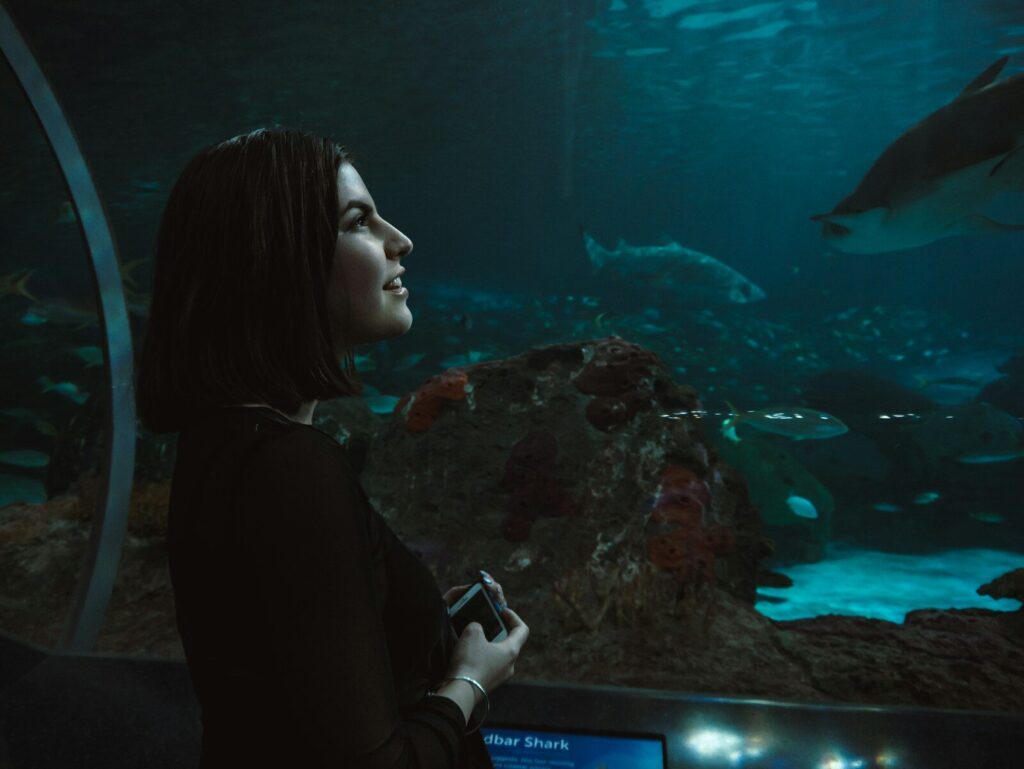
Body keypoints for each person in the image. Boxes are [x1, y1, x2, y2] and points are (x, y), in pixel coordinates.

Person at [136, 126, 529, 767]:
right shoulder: (288, 467)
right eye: (358, 222)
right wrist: (472, 681)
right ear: (277, 258)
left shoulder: (219, 444)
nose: (400, 241)